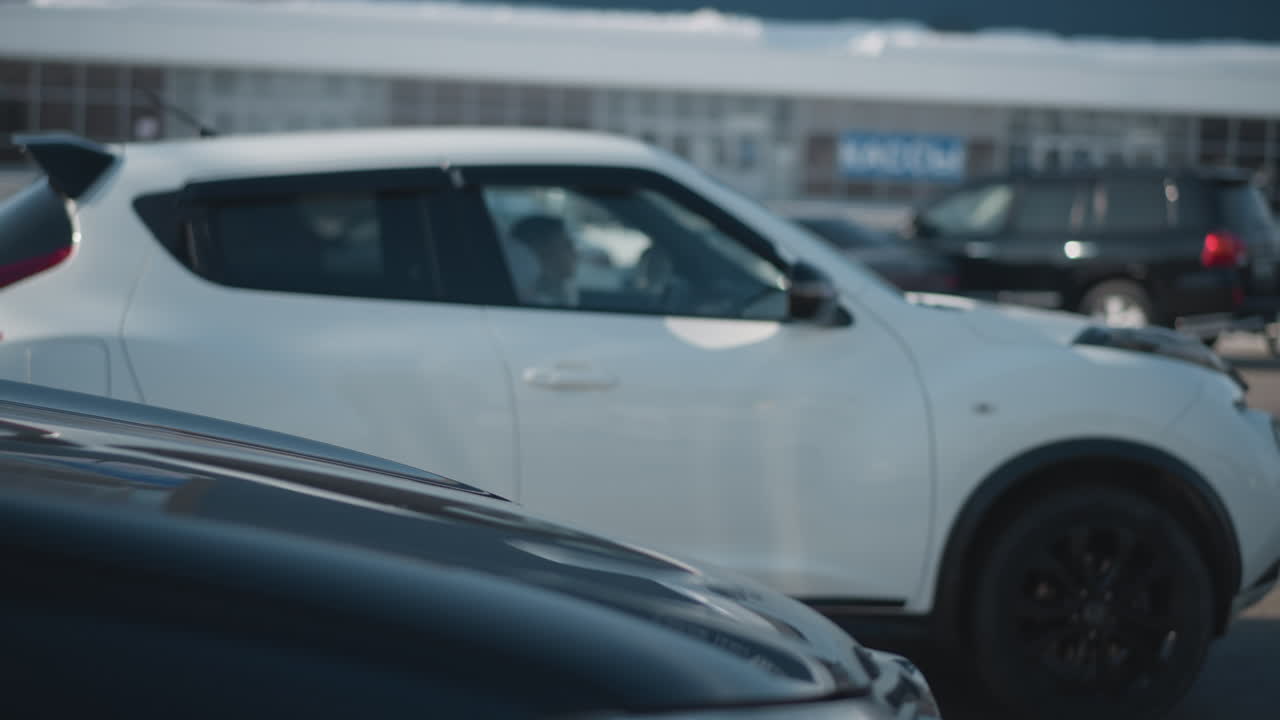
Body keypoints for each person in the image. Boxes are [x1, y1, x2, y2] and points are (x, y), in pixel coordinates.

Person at [510, 215, 579, 307]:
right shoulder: (532, 300)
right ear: (544, 251)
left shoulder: (561, 292)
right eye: (567, 245)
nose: (576, 254)